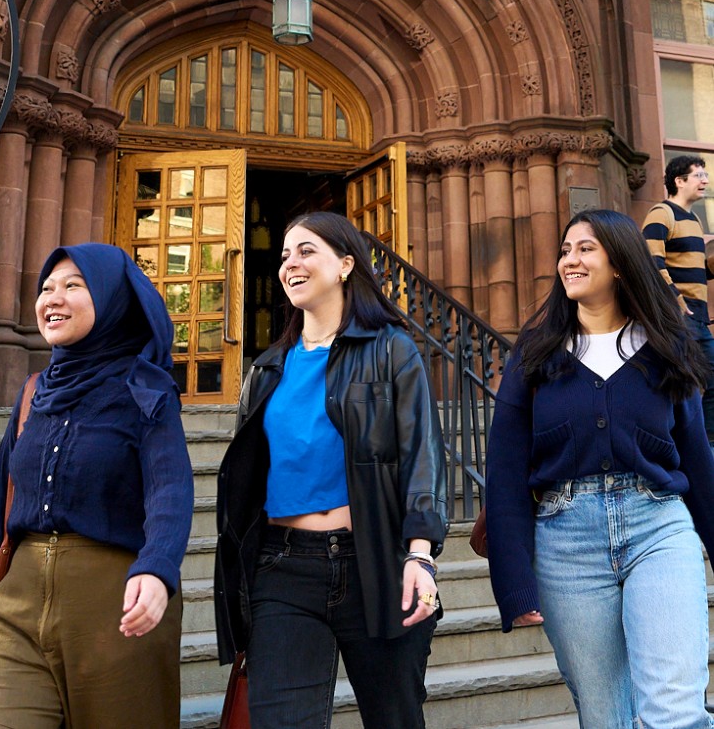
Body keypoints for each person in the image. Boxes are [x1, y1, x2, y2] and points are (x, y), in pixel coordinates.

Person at [0, 243, 194, 728]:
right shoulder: (35, 392)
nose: (53, 297)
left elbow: (170, 489)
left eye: (74, 285)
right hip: (18, 604)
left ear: (113, 300)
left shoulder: (146, 390)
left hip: (117, 606)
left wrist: (157, 568)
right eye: (47, 287)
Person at [214, 211, 448, 729]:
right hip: (283, 569)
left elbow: (421, 457)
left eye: (305, 251)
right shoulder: (266, 369)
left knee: (396, 719)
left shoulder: (391, 350)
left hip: (376, 563)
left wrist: (420, 555)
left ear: (345, 265)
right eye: (284, 255)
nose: (290, 263)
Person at [486, 209, 714, 728]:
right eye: (566, 250)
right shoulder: (536, 352)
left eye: (585, 248)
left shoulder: (667, 347)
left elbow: (698, 461)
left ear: (619, 262)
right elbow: (504, 473)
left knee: (675, 711)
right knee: (605, 715)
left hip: (658, 524)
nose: (570, 259)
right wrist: (514, 579)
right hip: (566, 539)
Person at [642, 155, 714, 444]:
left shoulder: (694, 220)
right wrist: (677, 302)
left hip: (696, 313)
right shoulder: (662, 213)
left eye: (705, 175)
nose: (705, 181)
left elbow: (697, 271)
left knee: (710, 380)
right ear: (679, 181)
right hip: (676, 312)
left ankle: (706, 449)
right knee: (678, 383)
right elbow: (650, 262)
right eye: (698, 175)